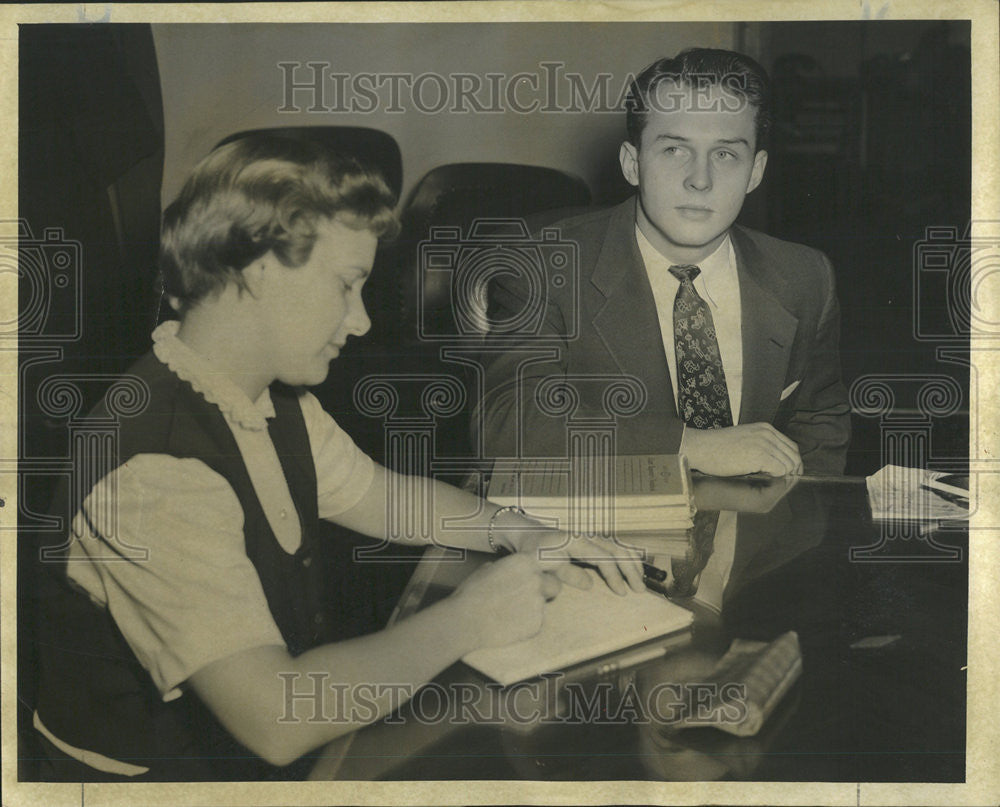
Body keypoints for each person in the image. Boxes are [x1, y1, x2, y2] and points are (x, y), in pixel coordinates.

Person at [31, 134, 644, 781]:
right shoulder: (155, 472)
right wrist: (466, 620)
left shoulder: (264, 396)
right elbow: (276, 717)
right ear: (260, 268)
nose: (360, 321)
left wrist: (520, 528)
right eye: (347, 286)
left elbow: (382, 496)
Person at [475, 49, 851, 476]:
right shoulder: (546, 266)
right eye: (674, 150)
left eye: (726, 154)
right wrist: (689, 446)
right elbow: (506, 427)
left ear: (756, 171)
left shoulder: (804, 277)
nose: (700, 179)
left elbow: (820, 426)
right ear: (632, 163)